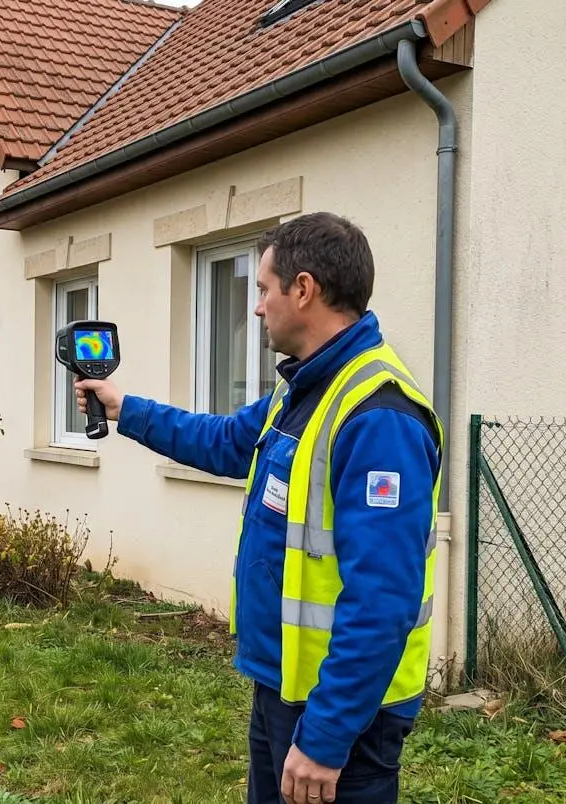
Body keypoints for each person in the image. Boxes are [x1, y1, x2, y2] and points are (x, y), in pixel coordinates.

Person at [74, 212, 442, 804]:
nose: (256, 307)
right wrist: (124, 408)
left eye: (263, 289)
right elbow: (224, 441)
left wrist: (324, 738)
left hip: (344, 714)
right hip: (284, 686)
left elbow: (383, 600)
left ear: (303, 289)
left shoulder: (379, 417)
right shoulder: (302, 389)